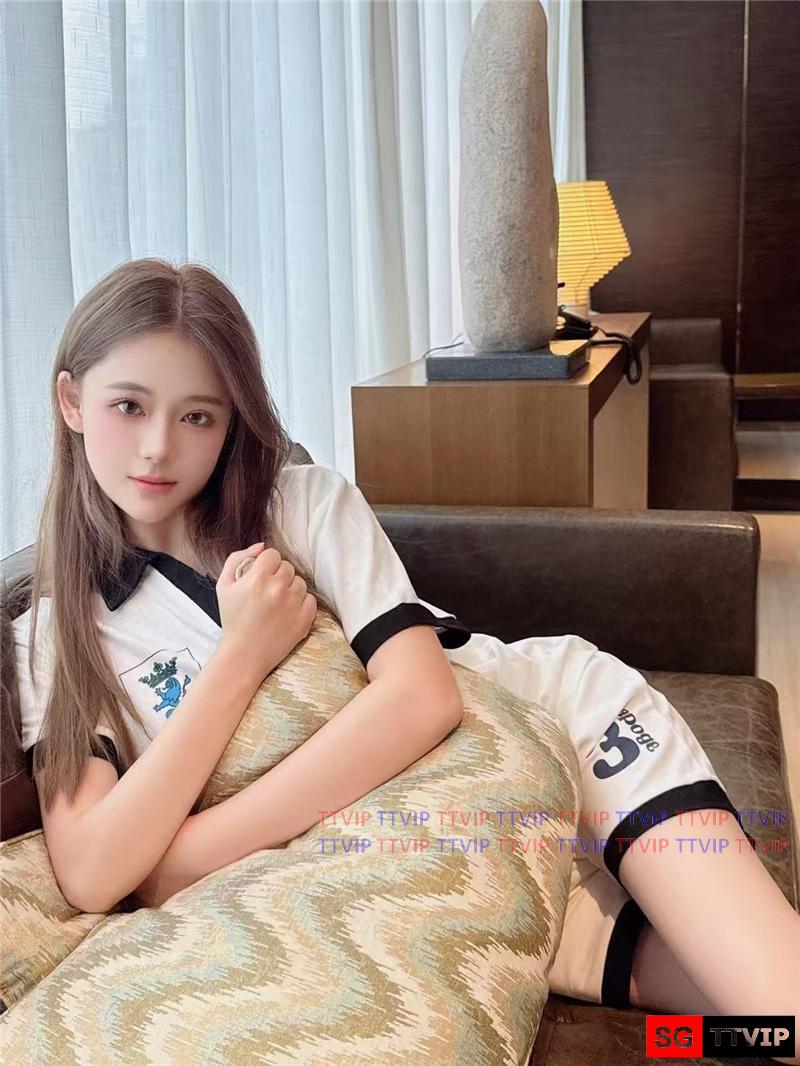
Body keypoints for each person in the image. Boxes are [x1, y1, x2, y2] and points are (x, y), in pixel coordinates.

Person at [9, 258, 799, 1063]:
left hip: (559, 730)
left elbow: (424, 699)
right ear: (71, 401)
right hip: (427, 857)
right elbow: (94, 872)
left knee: (780, 998)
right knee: (761, 1033)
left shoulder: (301, 504)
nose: (158, 447)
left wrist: (177, 859)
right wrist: (239, 658)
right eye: (128, 406)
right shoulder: (54, 637)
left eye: (198, 417)